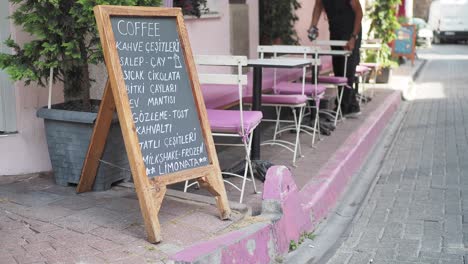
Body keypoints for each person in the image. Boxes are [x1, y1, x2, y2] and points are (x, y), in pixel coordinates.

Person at [308, 0, 363, 117]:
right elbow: (318, 6)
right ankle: (352, 106)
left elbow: (359, 12)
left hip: (351, 33)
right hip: (335, 31)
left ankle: (343, 108)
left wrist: (353, 37)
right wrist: (313, 26)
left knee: (347, 71)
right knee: (338, 70)